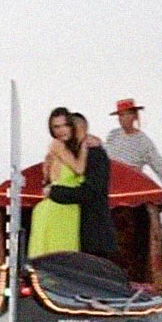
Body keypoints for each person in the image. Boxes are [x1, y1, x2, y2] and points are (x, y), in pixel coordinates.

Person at [48, 113, 117, 259]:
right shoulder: (73, 153)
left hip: (94, 234)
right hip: (72, 225)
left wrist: (55, 192)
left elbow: (90, 192)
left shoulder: (95, 154)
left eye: (69, 127)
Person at [27, 107, 87, 258]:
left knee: (64, 257)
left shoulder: (68, 148)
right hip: (56, 209)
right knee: (56, 256)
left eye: (65, 125)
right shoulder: (57, 144)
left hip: (68, 208)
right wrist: (86, 144)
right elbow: (79, 169)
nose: (61, 131)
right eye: (56, 127)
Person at [106, 98, 162, 197]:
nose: (124, 118)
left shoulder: (143, 141)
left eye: (128, 114)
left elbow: (158, 164)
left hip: (131, 184)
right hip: (110, 183)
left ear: (134, 116)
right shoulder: (113, 135)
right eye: (121, 115)